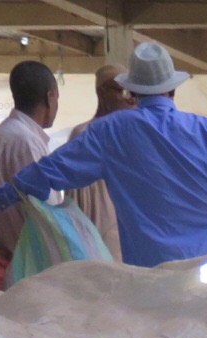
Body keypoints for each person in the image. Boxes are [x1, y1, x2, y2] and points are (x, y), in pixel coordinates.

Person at [0, 42, 207, 268]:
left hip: (155, 272)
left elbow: (45, 173)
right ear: (173, 90)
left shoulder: (109, 133)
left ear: (132, 93)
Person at [0, 60, 58, 256]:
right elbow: (45, 211)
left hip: (10, 254)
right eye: (57, 98)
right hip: (32, 258)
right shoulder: (26, 141)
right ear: (49, 97)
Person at [66, 63, 135, 262]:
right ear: (103, 92)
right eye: (124, 91)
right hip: (98, 244)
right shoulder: (85, 135)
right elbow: (80, 204)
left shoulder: (131, 135)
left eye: (134, 93)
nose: (131, 99)